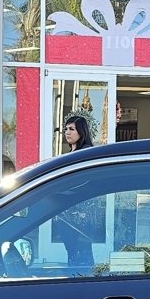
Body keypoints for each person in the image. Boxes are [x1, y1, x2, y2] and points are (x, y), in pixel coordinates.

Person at [54, 115, 99, 271]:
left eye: (72, 129)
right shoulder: (72, 153)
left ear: (82, 132)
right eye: (66, 129)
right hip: (68, 215)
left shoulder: (86, 153)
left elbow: (82, 182)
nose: (67, 132)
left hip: (81, 216)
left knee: (81, 254)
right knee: (73, 253)